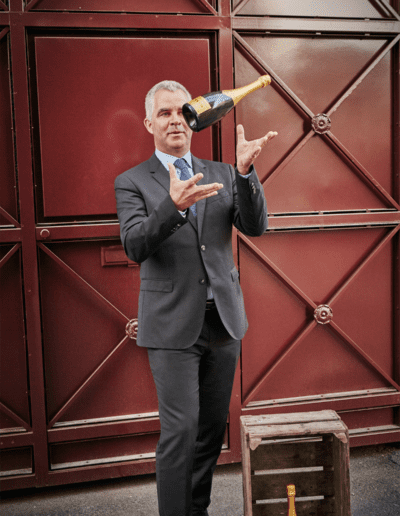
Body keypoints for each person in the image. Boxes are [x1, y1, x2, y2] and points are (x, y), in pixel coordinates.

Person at [114, 80, 277, 516]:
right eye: (164, 113)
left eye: (182, 111)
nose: (175, 120)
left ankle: (196, 510)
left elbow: (255, 227)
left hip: (223, 322)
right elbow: (134, 246)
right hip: (172, 326)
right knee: (180, 431)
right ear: (149, 123)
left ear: (196, 118)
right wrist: (174, 206)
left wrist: (245, 173)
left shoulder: (223, 172)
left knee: (209, 432)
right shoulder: (132, 181)